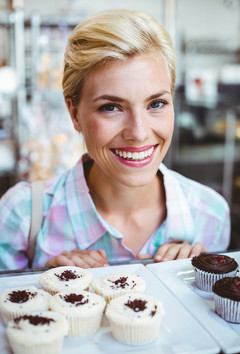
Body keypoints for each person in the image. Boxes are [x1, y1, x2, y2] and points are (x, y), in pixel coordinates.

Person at [0, 9, 230, 270]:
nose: (139, 132)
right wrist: (43, 288)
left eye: (156, 103)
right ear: (74, 114)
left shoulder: (211, 216)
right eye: (111, 107)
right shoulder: (21, 217)